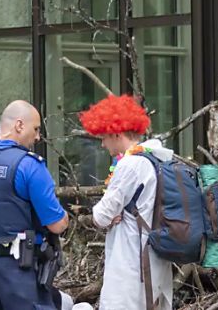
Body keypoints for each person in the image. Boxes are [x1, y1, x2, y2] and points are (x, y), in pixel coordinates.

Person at [0, 100, 69, 309]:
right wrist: (65, 218)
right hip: (18, 267)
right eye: (36, 129)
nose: (37, 136)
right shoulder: (29, 165)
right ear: (19, 125)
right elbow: (56, 224)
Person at [83, 94, 173, 310]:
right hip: (155, 258)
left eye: (104, 137)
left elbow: (102, 216)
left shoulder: (130, 165)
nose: (103, 144)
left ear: (116, 132)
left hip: (131, 263)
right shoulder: (157, 157)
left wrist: (108, 215)